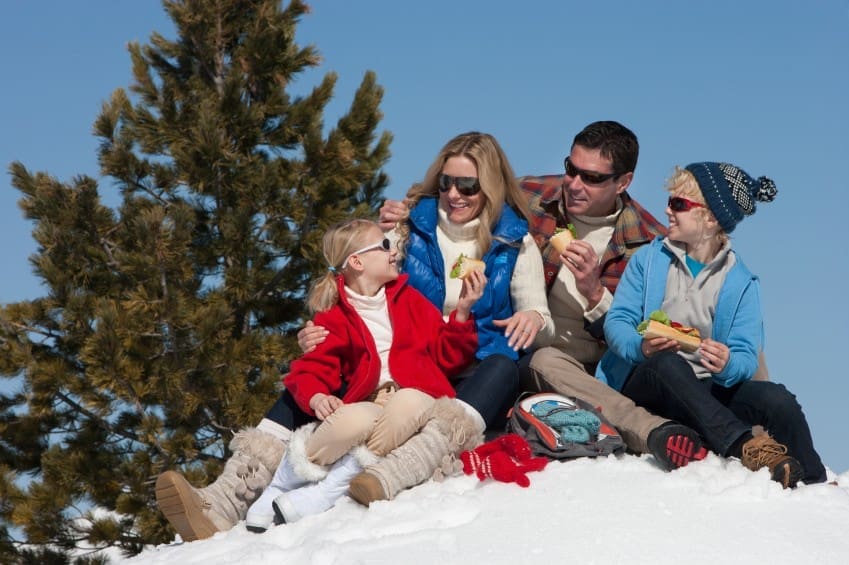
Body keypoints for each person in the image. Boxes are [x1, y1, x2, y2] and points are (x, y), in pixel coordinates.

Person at [155, 131, 552, 539]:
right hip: (400, 362)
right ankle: (226, 497)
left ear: (490, 186)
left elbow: (539, 313)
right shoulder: (409, 228)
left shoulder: (514, 241)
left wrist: (533, 317)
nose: (453, 194)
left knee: (501, 367)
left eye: (467, 185)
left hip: (468, 362)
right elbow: (357, 282)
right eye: (446, 182)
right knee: (307, 384)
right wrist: (318, 334)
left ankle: (396, 468)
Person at [381, 121, 711, 470]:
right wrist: (406, 211)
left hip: (601, 368)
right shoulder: (532, 197)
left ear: (623, 182)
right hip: (532, 359)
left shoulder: (647, 244)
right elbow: (465, 193)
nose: (574, 184)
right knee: (538, 361)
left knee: (536, 364)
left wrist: (594, 292)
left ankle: (659, 433)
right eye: (571, 169)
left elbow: (642, 335)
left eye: (592, 178)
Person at [240, 218, 484, 531]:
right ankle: (283, 483)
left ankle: (331, 488)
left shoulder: (409, 299)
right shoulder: (334, 316)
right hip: (370, 402)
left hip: (415, 399)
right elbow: (314, 367)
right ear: (357, 262)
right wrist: (317, 396)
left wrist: (462, 312)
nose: (394, 251)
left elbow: (448, 358)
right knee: (354, 420)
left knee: (408, 402)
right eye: (384, 245)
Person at [597, 162, 826, 487]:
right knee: (667, 363)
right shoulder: (648, 261)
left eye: (678, 204)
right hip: (646, 380)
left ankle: (814, 481)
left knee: (778, 398)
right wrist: (641, 347)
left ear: (711, 219)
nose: (667, 210)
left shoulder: (741, 282)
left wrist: (728, 363)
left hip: (705, 389)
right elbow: (618, 321)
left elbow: (746, 356)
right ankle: (744, 446)